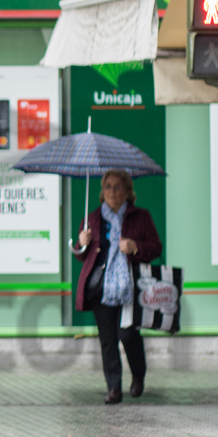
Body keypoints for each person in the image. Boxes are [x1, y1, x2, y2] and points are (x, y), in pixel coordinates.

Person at [73, 169, 163, 404]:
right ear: (102, 192)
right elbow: (82, 256)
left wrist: (135, 247)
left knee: (128, 334)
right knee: (108, 339)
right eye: (108, 187)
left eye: (118, 187)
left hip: (130, 288)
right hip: (100, 289)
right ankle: (113, 388)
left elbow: (156, 247)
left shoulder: (140, 217)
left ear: (128, 192)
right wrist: (81, 244)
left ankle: (138, 375)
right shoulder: (92, 218)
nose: (113, 191)